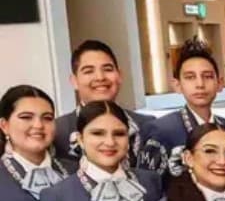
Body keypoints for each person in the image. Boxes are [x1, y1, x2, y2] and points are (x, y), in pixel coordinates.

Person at [141, 38, 225, 178]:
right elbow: (150, 184)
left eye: (207, 76)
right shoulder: (161, 130)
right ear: (177, 85)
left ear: (219, 83)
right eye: (190, 77)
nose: (200, 84)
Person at [53, 40, 156, 169]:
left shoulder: (148, 126)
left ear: (119, 76)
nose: (100, 77)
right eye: (89, 71)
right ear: (74, 81)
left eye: (107, 69)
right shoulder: (57, 131)